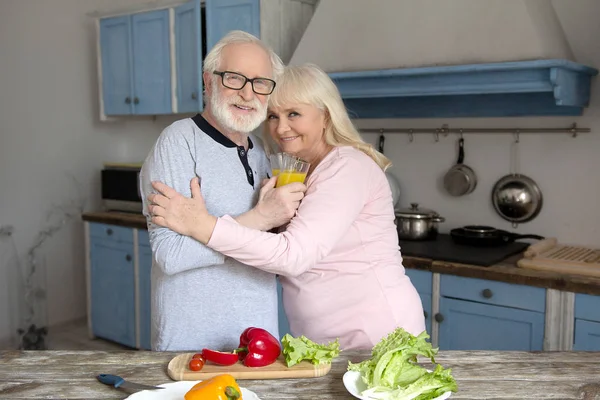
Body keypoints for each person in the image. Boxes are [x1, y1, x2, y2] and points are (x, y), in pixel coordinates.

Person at [147, 63, 426, 350]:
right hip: (321, 340)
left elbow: (293, 256)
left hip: (375, 334)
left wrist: (203, 225)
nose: (280, 128)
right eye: (272, 116)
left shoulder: (347, 167)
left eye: (294, 114)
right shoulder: (295, 171)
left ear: (326, 116)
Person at [139, 30, 306, 352]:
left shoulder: (261, 150)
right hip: (191, 341)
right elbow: (171, 256)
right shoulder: (178, 141)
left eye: (260, 83)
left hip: (258, 335)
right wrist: (258, 218)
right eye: (234, 78)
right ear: (208, 81)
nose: (247, 94)